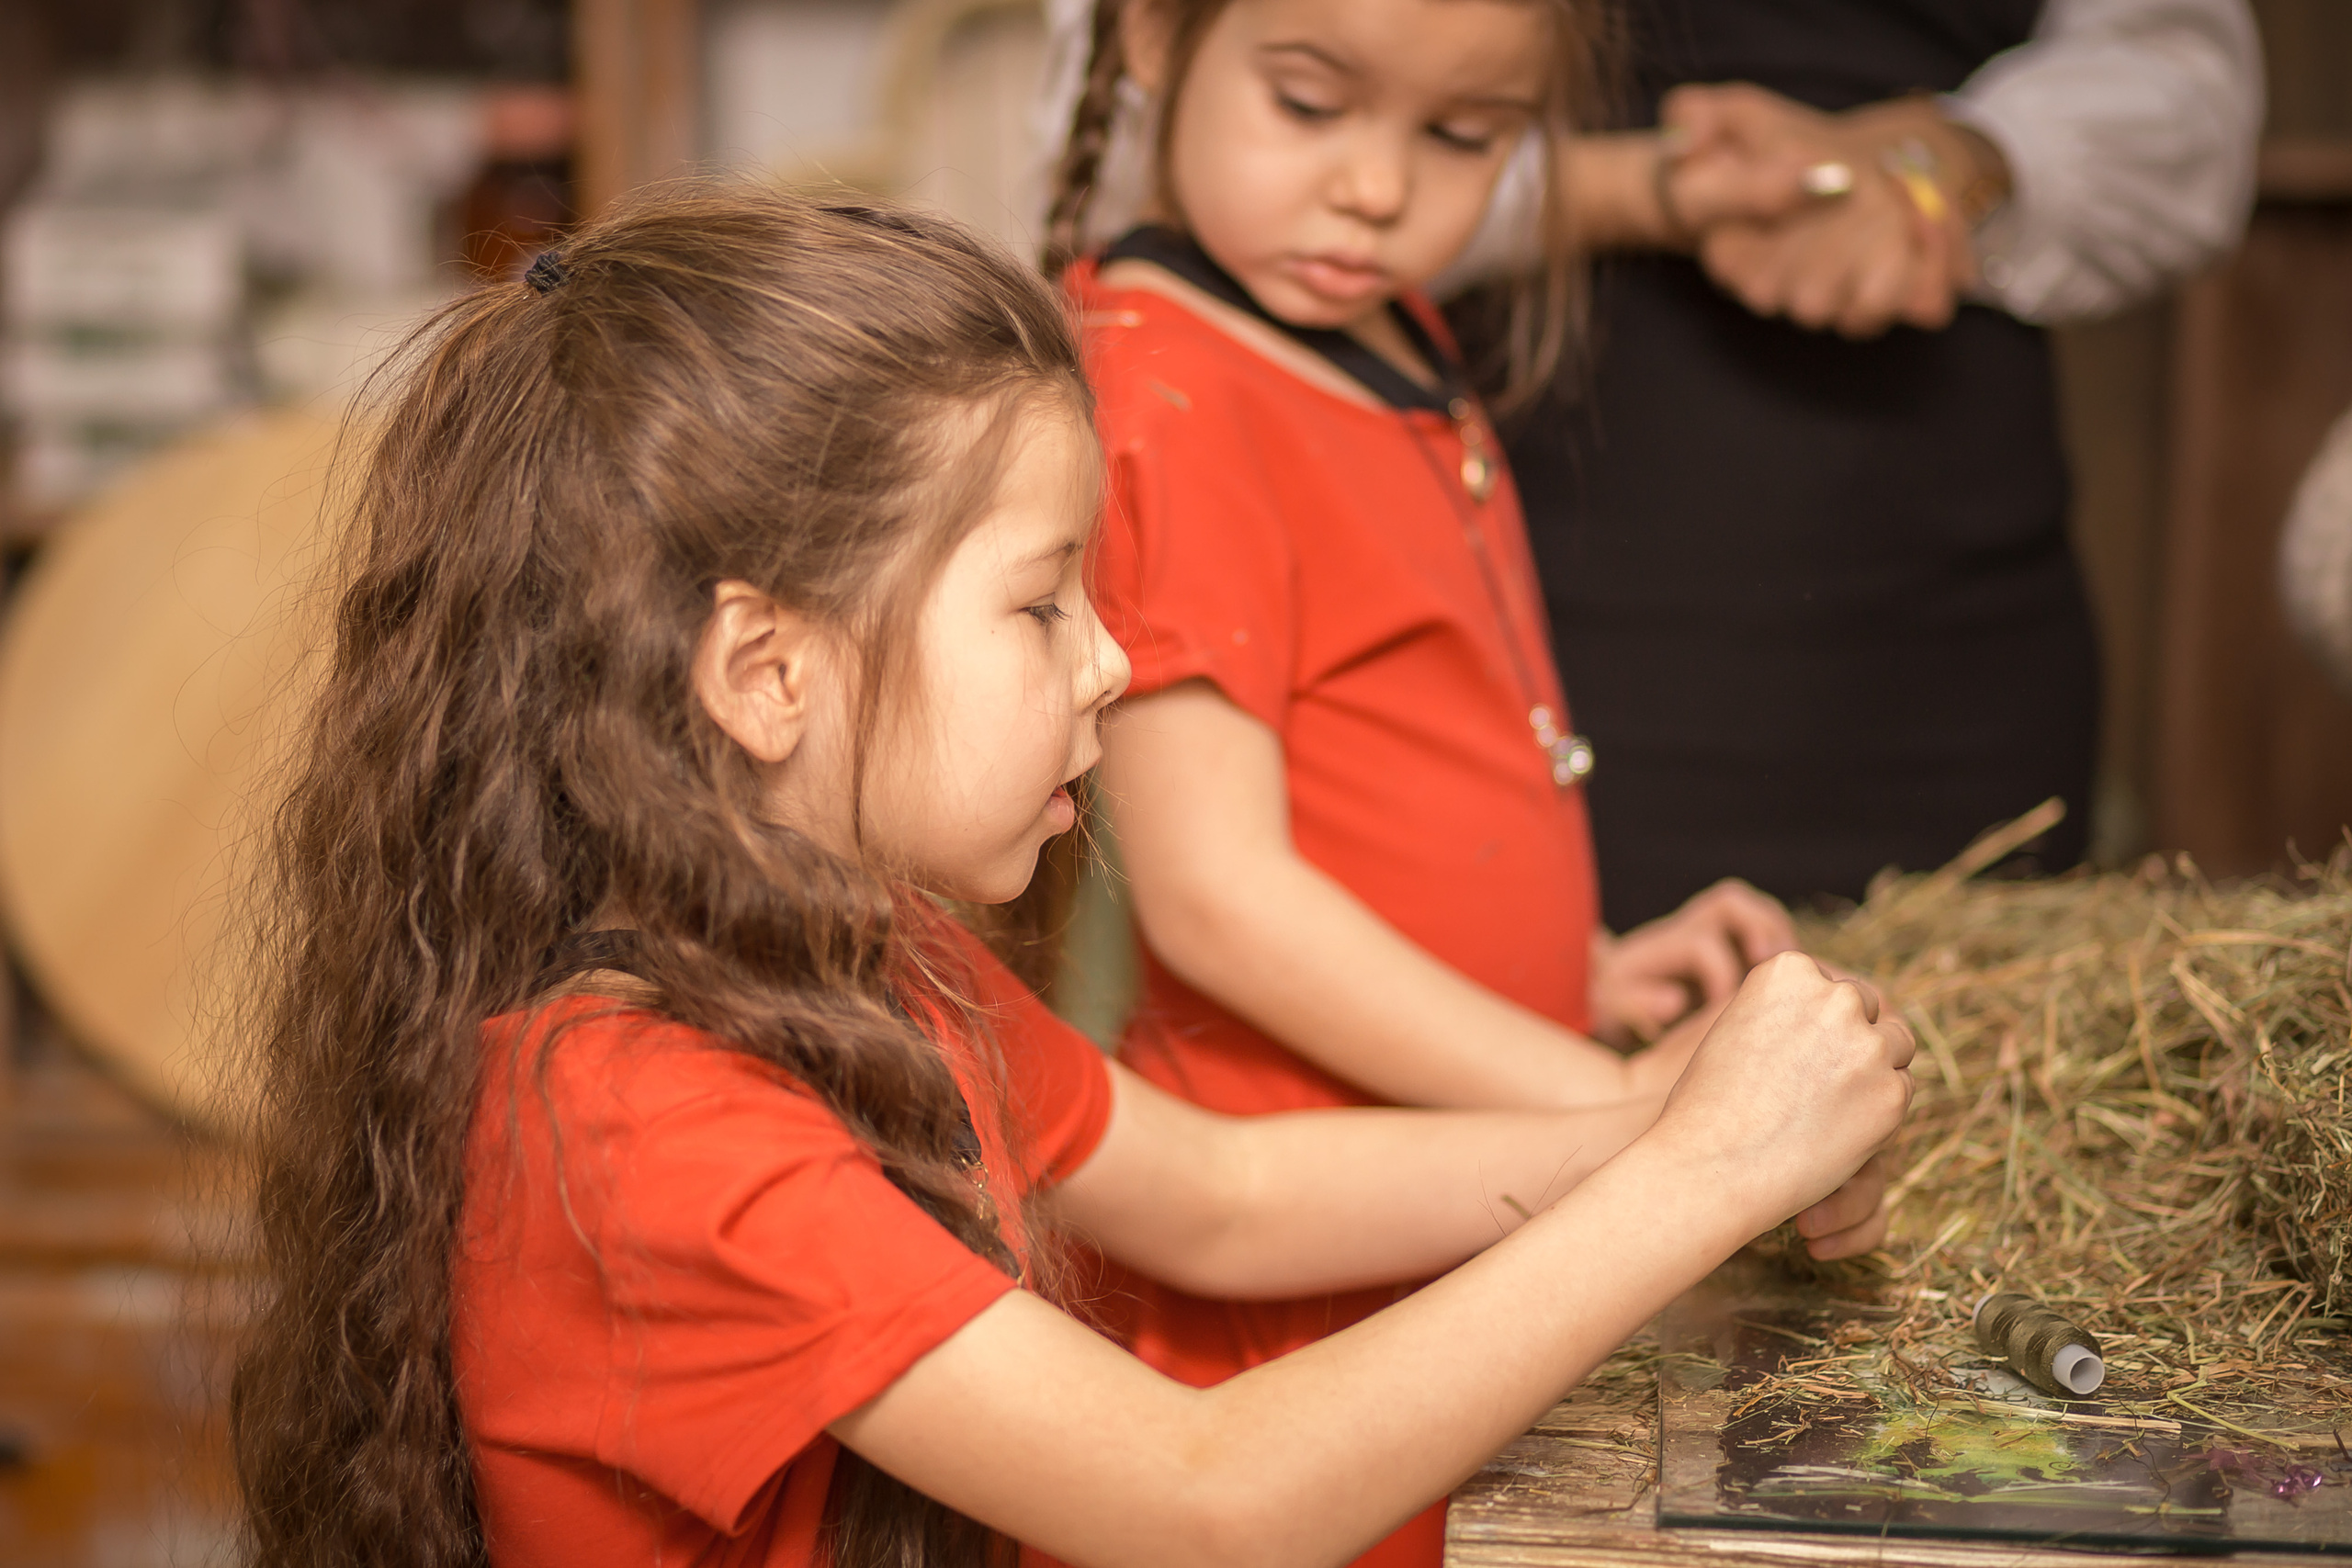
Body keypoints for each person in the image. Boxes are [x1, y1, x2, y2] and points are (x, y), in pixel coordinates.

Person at [226, 184, 1913, 1568]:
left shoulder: (865, 956)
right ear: (767, 672)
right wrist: (1694, 1175)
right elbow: (1208, 1496)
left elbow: (1223, 1194)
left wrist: (1660, 1116)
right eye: (1040, 604)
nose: (1111, 660)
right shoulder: (639, 1124)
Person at [1038, 3, 1841, 1561]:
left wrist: (1577, 972)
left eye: (1463, 137)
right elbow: (1219, 897)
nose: (1376, 189)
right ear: (1152, 38)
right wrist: (1626, 1106)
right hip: (1313, 1263)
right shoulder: (1169, 385)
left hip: (1469, 1198)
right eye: (1308, 103)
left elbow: (1383, 768)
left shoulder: (1379, 322)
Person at [1473, 0, 2263, 927]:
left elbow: (2190, 99)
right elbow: (1351, 150)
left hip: (1957, 645)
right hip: (1548, 614)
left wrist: (1951, 157)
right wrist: (1660, 188)